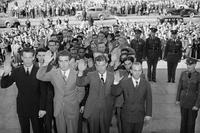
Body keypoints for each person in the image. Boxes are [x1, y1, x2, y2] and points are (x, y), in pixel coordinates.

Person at [36, 50, 84, 133]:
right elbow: (39, 76)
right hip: (58, 109)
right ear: (58, 61)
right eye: (61, 61)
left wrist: (75, 102)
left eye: (66, 61)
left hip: (72, 108)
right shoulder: (53, 73)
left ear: (69, 61)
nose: (63, 63)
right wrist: (45, 63)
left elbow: (81, 91)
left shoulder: (76, 74)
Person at [1, 48, 46, 133]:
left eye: (30, 57)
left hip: (37, 108)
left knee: (38, 130)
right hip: (22, 107)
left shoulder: (39, 71)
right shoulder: (17, 71)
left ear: (33, 58)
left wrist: (42, 108)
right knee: (24, 130)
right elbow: (4, 85)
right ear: (21, 57)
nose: (27, 60)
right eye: (25, 57)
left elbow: (43, 92)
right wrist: (6, 74)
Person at [76, 55, 115, 133]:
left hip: (106, 109)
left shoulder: (112, 76)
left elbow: (116, 92)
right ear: (95, 65)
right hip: (93, 109)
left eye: (102, 65)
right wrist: (80, 71)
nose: (100, 68)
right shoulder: (91, 75)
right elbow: (80, 83)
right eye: (98, 65)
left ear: (106, 64)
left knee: (105, 130)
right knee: (93, 130)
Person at [112, 62, 152, 133]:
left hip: (139, 115)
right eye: (135, 70)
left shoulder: (146, 84)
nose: (137, 73)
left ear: (142, 71)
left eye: (139, 70)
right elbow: (115, 93)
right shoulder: (124, 82)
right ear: (131, 71)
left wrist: (148, 114)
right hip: (126, 116)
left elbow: (149, 100)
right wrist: (115, 82)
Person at [176, 57, 200, 133]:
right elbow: (180, 87)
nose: (189, 66)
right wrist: (177, 99)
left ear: (195, 65)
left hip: (193, 103)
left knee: (191, 124)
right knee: (183, 123)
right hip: (183, 102)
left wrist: (197, 105)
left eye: (191, 64)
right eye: (188, 65)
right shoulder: (183, 74)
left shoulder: (198, 76)